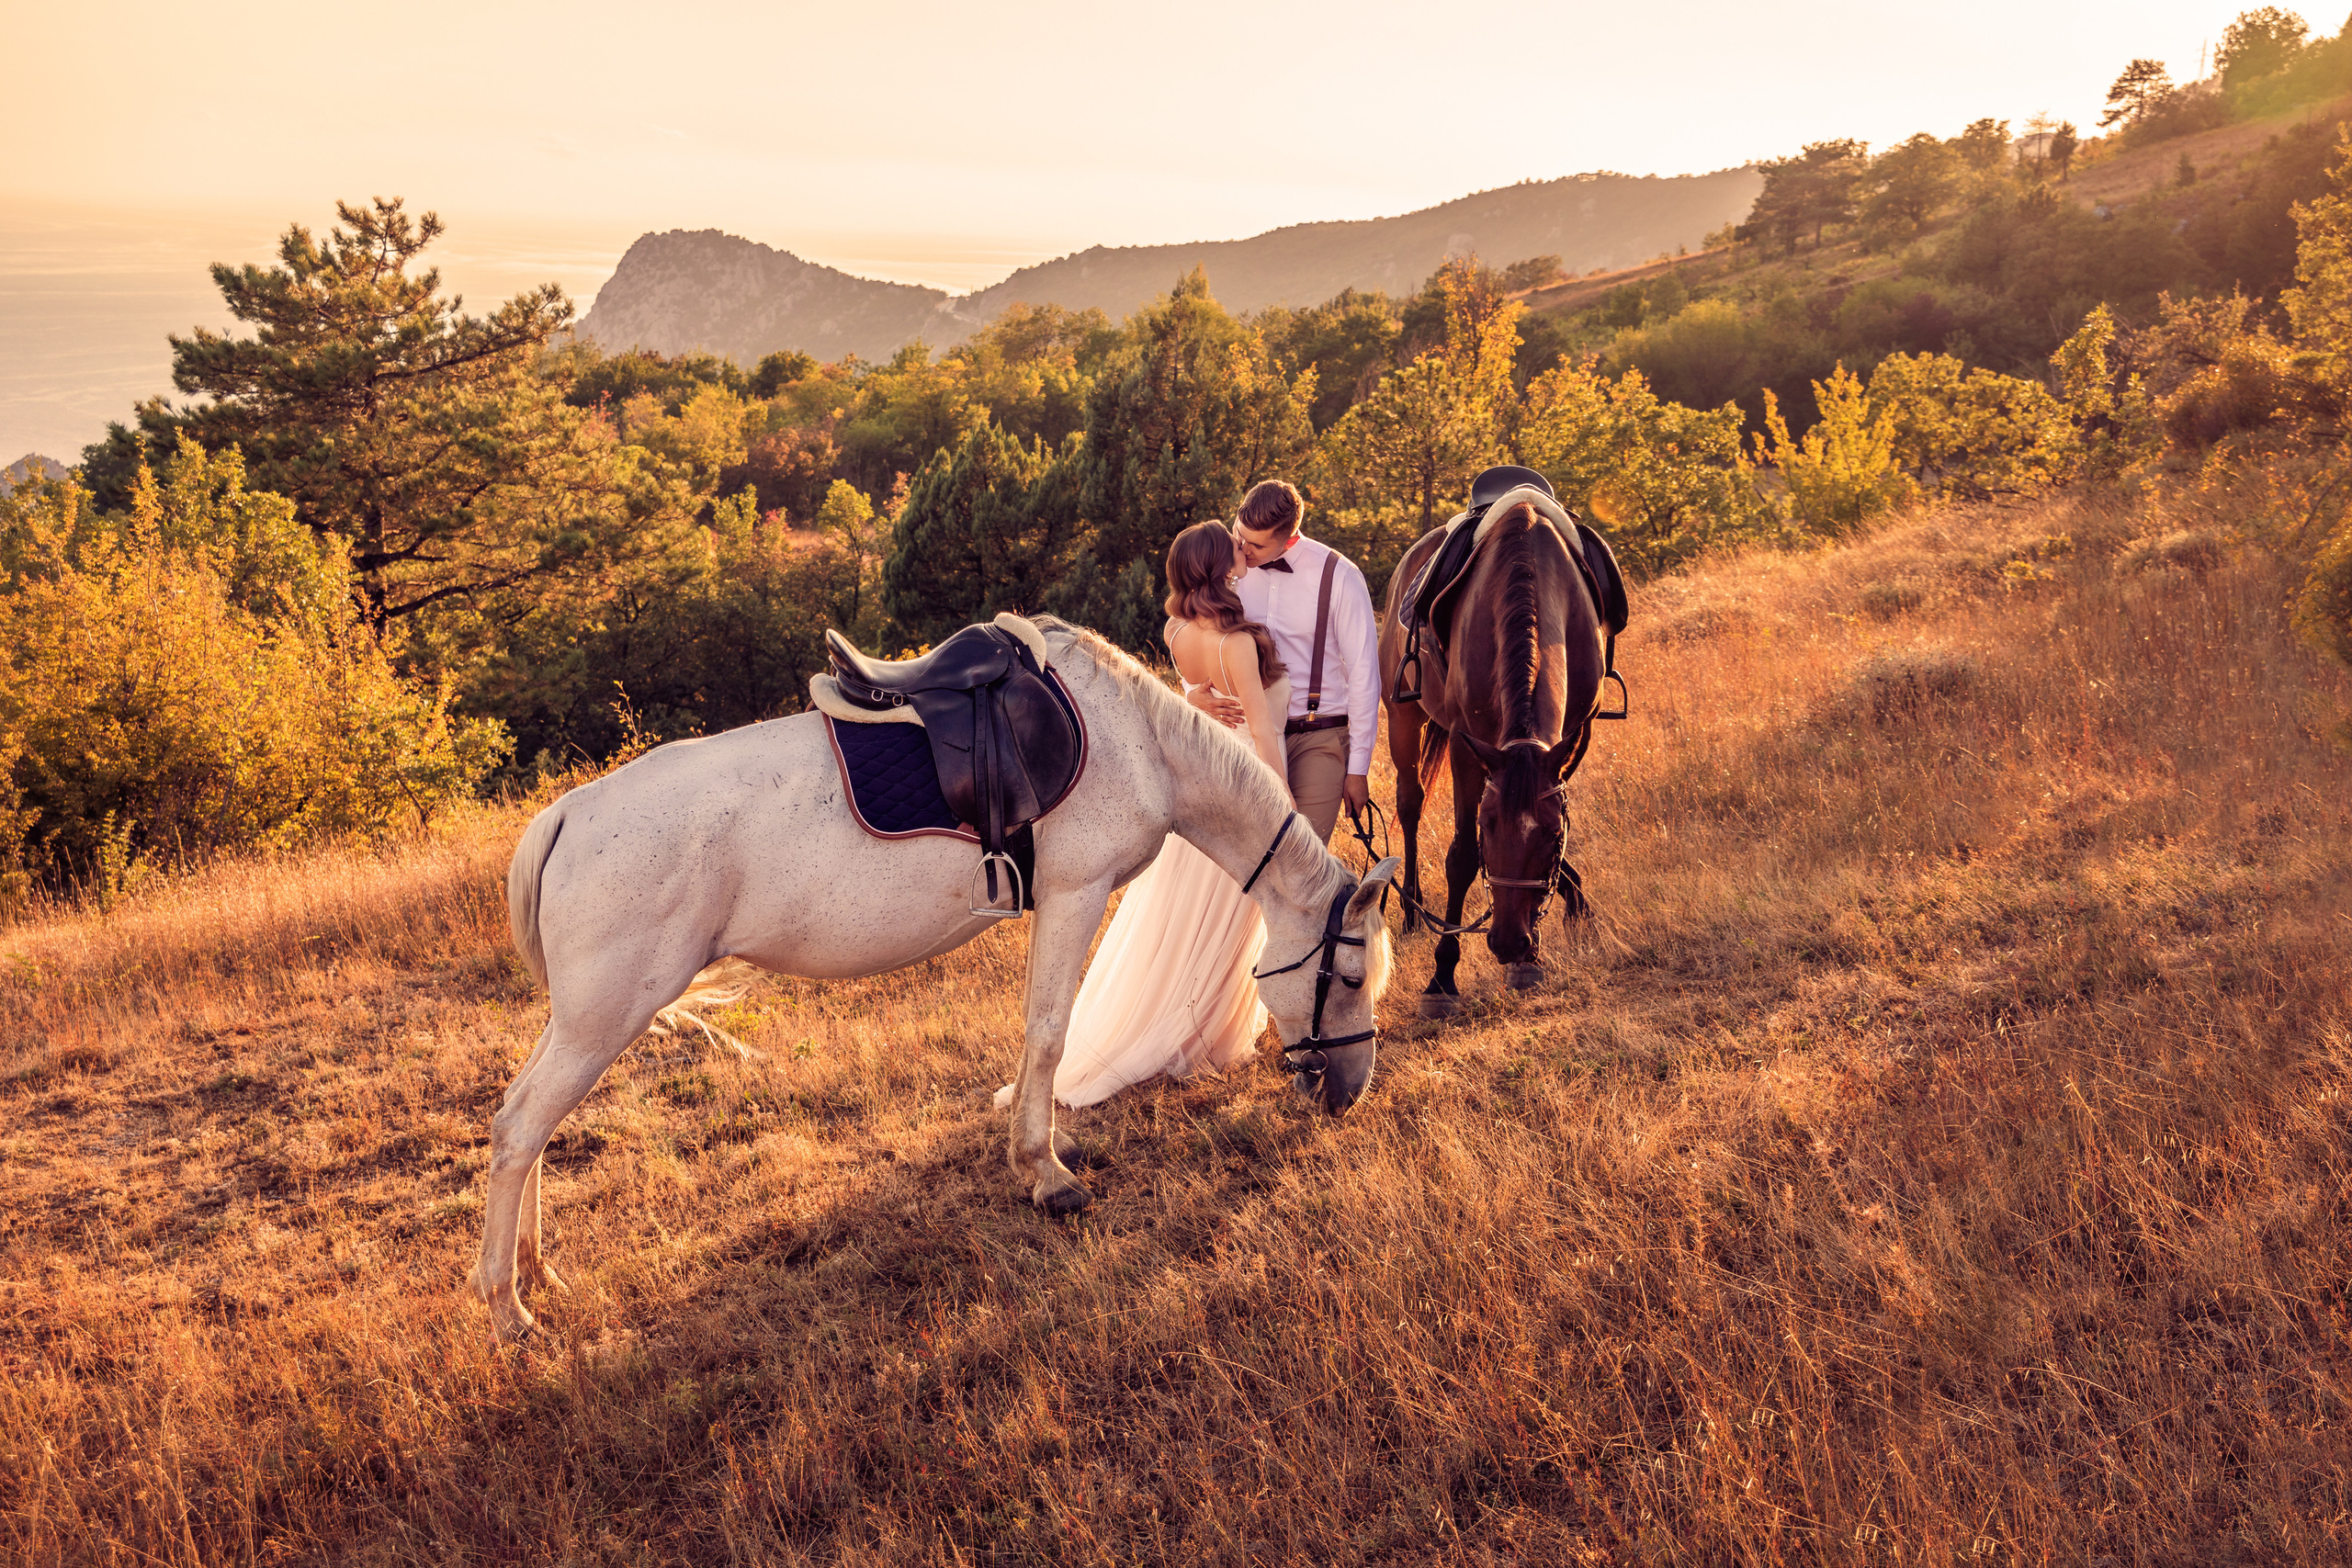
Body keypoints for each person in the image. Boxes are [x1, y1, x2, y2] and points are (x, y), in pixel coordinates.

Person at [999, 521, 1296, 1108]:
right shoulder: (1237, 644)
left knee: (1186, 918)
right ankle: (1197, 1034)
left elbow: (1185, 702)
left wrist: (1190, 696)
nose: (1243, 555)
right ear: (1220, 569)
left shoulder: (1176, 629)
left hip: (1195, 786)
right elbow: (1263, 733)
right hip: (1238, 784)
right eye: (1234, 551)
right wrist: (1280, 814)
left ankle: (1191, 1026)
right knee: (1226, 917)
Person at [1194, 479, 1381, 845]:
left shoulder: (1340, 576)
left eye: (1257, 544)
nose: (1243, 549)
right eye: (1240, 535)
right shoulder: (1224, 568)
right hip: (1244, 737)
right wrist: (1191, 695)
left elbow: (1364, 675)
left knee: (1301, 861)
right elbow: (1190, 637)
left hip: (1318, 735)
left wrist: (1358, 768)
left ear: (1290, 539)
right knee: (1245, 862)